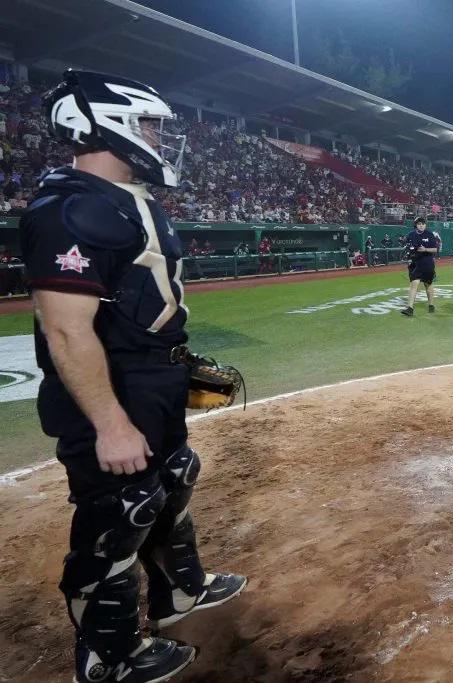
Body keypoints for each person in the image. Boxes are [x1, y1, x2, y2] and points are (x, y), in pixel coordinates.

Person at [19, 69, 246, 683]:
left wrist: (175, 364)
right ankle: (108, 659)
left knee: (169, 486)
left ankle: (179, 595)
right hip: (110, 396)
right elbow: (66, 330)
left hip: (149, 383)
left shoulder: (130, 199)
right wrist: (110, 422)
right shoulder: (70, 207)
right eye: (148, 124)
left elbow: (136, 304)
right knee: (116, 519)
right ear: (104, 124)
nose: (158, 138)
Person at [400, 217, 438, 316]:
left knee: (428, 284)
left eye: (423, 224)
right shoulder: (411, 234)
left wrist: (425, 249)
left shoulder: (429, 234)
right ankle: (410, 308)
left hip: (427, 263)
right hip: (415, 263)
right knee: (414, 284)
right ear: (416, 225)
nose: (421, 225)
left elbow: (435, 249)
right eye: (419, 224)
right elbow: (407, 247)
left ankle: (431, 305)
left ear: (425, 225)